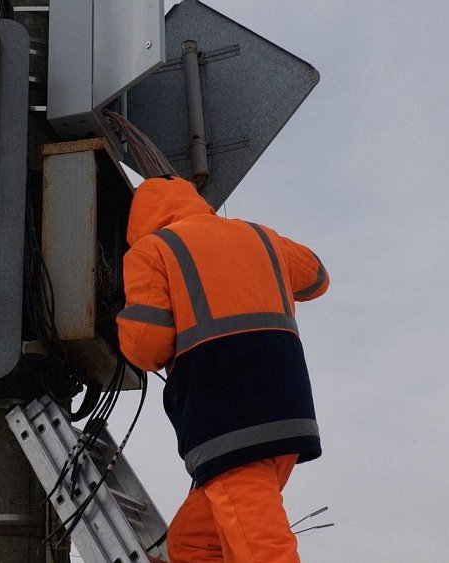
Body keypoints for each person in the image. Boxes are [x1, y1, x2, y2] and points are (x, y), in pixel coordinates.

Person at [116, 175, 329, 562]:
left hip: (228, 420)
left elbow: (147, 346)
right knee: (196, 543)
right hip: (287, 412)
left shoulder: (151, 250)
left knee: (261, 548)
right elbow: (317, 277)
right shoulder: (261, 236)